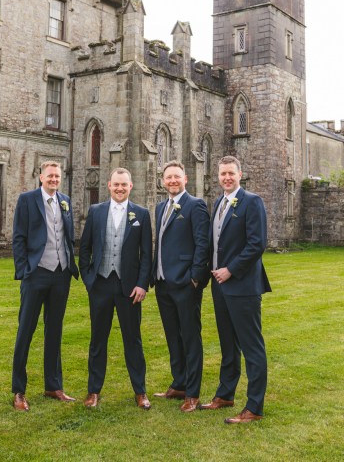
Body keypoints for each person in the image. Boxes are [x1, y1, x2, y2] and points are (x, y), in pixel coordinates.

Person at [200, 155, 271, 423]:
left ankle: (254, 407)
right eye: (222, 174)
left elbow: (257, 243)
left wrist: (230, 269)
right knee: (228, 345)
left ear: (240, 174)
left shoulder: (252, 202)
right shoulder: (219, 202)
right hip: (220, 287)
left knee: (252, 346)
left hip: (242, 286)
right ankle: (226, 394)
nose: (226, 178)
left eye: (231, 173)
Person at [79, 167, 152, 410]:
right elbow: (85, 248)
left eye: (124, 185)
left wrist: (142, 284)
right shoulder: (96, 212)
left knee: (133, 340)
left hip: (129, 288)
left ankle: (140, 391)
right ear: (108, 185)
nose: (120, 188)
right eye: (116, 184)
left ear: (131, 187)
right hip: (100, 284)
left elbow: (146, 255)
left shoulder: (141, 214)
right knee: (98, 340)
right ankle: (93, 391)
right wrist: (89, 279)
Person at [11, 160, 79, 411]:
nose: (53, 179)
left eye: (57, 176)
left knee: (55, 330)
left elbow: (66, 234)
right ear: (41, 177)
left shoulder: (65, 200)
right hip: (36, 274)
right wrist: (24, 270)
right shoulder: (27, 200)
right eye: (49, 176)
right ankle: (19, 390)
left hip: (60, 275)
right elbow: (18, 237)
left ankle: (53, 385)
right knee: (25, 331)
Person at [152, 160, 210, 412]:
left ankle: (193, 393)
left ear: (185, 179)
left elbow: (202, 244)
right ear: (163, 181)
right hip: (163, 283)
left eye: (177, 177)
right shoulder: (160, 207)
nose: (173, 181)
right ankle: (179, 383)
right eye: (169, 178)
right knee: (172, 335)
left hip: (186, 283)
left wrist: (196, 278)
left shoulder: (195, 205)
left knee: (190, 336)